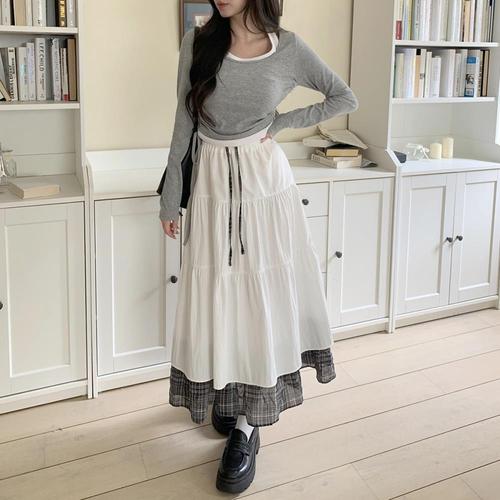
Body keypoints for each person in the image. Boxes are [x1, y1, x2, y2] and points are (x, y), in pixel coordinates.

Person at [159, 0, 359, 493]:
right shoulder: (199, 43)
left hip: (265, 187)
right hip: (210, 183)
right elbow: (184, 119)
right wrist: (170, 195)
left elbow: (343, 97)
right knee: (219, 294)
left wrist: (282, 123)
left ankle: (248, 427)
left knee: (259, 298)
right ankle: (229, 395)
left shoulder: (288, 49)